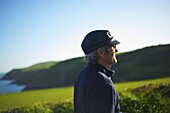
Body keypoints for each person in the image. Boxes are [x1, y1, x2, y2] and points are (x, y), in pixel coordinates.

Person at [74, 30, 121, 113]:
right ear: (101, 52)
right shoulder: (103, 83)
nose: (116, 50)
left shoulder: (82, 76)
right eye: (113, 47)